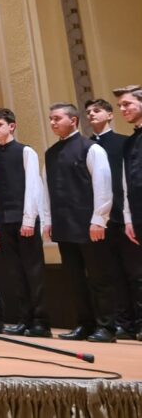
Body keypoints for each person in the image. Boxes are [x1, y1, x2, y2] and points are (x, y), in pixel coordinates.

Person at [41, 103, 117, 343]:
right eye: (51, 119)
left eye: (57, 118)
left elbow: (103, 186)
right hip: (64, 225)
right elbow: (46, 190)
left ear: (73, 121)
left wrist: (99, 219)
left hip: (88, 224)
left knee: (99, 277)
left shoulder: (91, 149)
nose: (53, 123)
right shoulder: (51, 153)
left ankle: (107, 327)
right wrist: (48, 220)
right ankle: (84, 324)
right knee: (74, 278)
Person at [0, 108, 50, 337]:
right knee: (15, 272)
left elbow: (33, 185)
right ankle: (24, 319)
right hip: (3, 221)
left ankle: (40, 322)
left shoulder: (26, 152)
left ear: (12, 126)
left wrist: (29, 219)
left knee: (33, 271)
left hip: (25, 220)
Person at [86, 96, 136, 339]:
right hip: (101, 222)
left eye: (96, 111)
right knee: (111, 273)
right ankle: (122, 323)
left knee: (134, 272)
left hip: (124, 217)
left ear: (109, 115)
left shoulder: (124, 143)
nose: (91, 115)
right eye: (88, 112)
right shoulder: (86, 147)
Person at [114, 86, 142, 341]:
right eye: (120, 106)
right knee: (139, 274)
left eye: (127, 104)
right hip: (137, 214)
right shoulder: (130, 140)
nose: (122, 110)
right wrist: (128, 218)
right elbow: (125, 183)